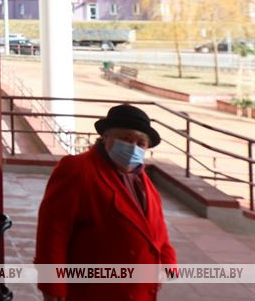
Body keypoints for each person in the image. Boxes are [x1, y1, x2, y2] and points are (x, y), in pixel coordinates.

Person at [34, 103, 177, 301]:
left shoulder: (143, 182)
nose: (133, 147)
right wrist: (52, 285)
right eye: (126, 139)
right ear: (105, 137)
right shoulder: (78, 169)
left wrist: (167, 264)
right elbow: (53, 232)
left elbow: (159, 233)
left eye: (141, 143)